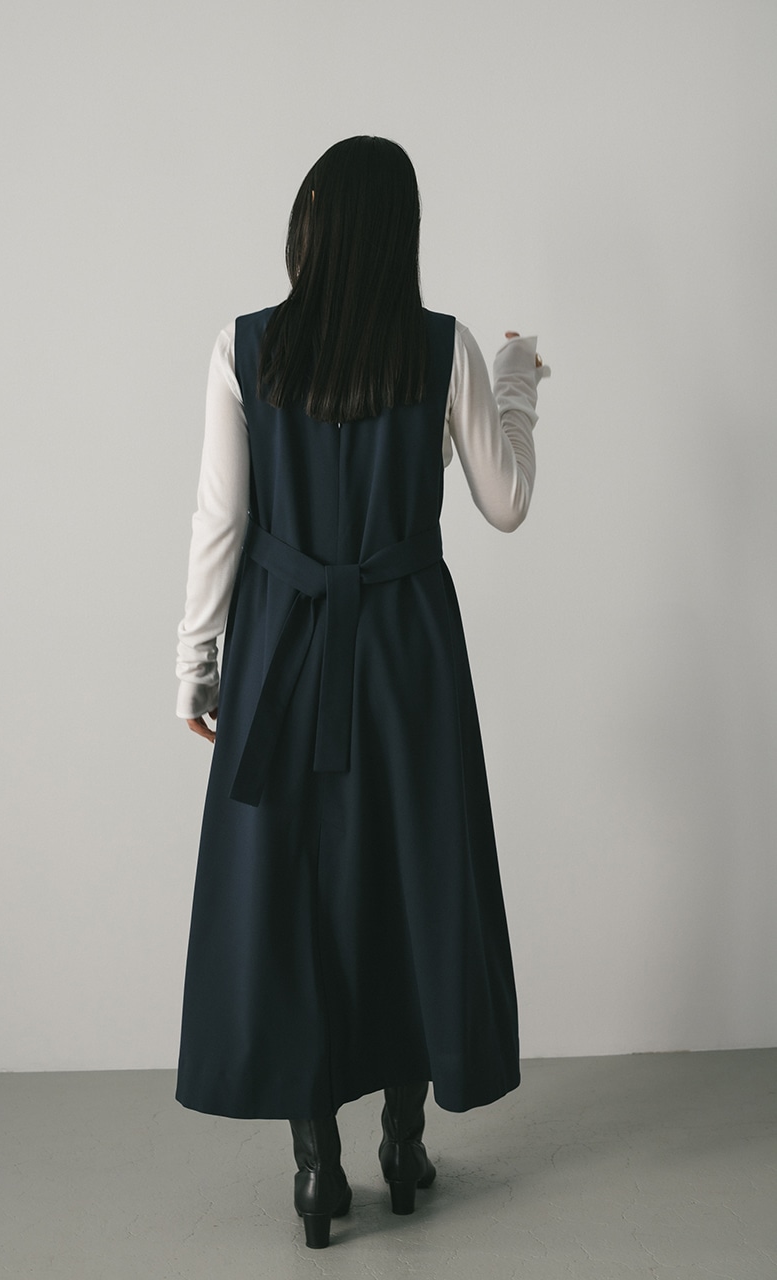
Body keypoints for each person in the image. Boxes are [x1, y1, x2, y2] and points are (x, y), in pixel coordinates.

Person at [174, 135, 550, 1250]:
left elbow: (219, 520)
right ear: (402, 233)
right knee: (408, 877)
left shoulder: (245, 345)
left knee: (293, 890)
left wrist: (195, 662)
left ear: (310, 223)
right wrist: (517, 378)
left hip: (279, 649)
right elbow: (506, 502)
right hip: (406, 649)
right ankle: (402, 1142)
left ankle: (314, 1167)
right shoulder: (443, 348)